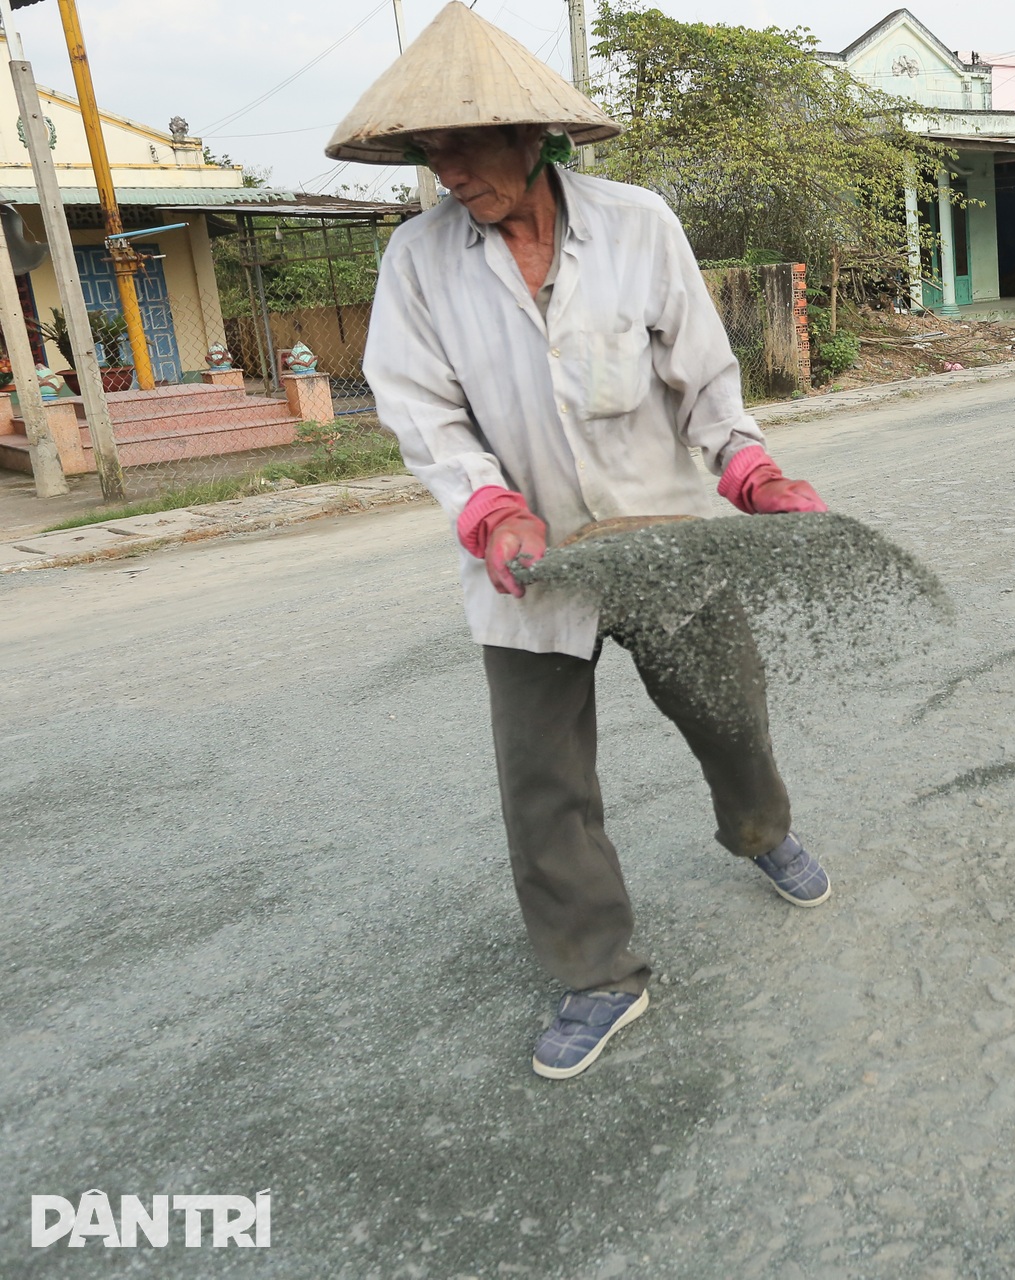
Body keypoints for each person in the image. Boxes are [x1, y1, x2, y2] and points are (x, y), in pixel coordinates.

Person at [333, 3, 831, 1080]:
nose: (446, 169)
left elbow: (704, 379)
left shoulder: (639, 226)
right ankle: (597, 970)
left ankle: (759, 831)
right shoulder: (418, 265)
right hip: (527, 562)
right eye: (429, 151)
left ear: (531, 137)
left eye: (464, 143)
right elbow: (420, 410)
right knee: (542, 778)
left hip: (660, 530)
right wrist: (488, 508)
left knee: (729, 710)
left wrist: (749, 469)